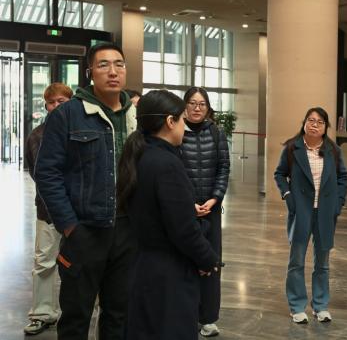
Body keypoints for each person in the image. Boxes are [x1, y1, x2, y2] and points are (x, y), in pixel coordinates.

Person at [35, 42, 137, 340]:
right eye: (104, 65)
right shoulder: (67, 114)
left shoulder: (135, 117)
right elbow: (47, 173)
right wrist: (70, 226)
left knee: (119, 315)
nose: (113, 71)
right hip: (85, 231)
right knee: (75, 317)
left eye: (119, 64)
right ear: (90, 71)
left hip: (128, 231)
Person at [117, 90, 219, 340]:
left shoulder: (140, 154)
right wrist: (208, 259)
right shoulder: (167, 163)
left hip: (142, 266)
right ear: (170, 121)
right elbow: (183, 229)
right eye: (182, 119)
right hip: (168, 274)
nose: (185, 125)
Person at [274, 107, 347, 324]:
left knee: (323, 263)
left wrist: (338, 203)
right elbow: (280, 174)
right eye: (311, 120)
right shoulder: (292, 148)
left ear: (326, 127)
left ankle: (320, 305)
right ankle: (297, 306)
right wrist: (288, 195)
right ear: (304, 123)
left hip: (325, 212)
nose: (315, 125)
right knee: (296, 261)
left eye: (320, 122)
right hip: (301, 211)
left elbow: (344, 177)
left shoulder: (333, 150)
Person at [179, 86, 230, 338]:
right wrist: (187, 202)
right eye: (192, 103)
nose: (197, 108)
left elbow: (223, 167)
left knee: (211, 261)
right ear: (184, 106)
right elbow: (173, 170)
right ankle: (185, 316)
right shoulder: (176, 130)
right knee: (184, 261)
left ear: (208, 108)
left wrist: (215, 198)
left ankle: (208, 318)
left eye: (202, 104)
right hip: (183, 209)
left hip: (211, 208)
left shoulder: (217, 133)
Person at [23, 82, 73, 336]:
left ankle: (77, 313)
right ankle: (42, 313)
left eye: (61, 102)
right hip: (48, 210)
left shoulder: (81, 130)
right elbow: (39, 174)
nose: (55, 106)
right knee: (44, 262)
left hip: (79, 211)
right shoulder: (37, 135)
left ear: (70, 103)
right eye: (51, 103)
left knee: (82, 263)